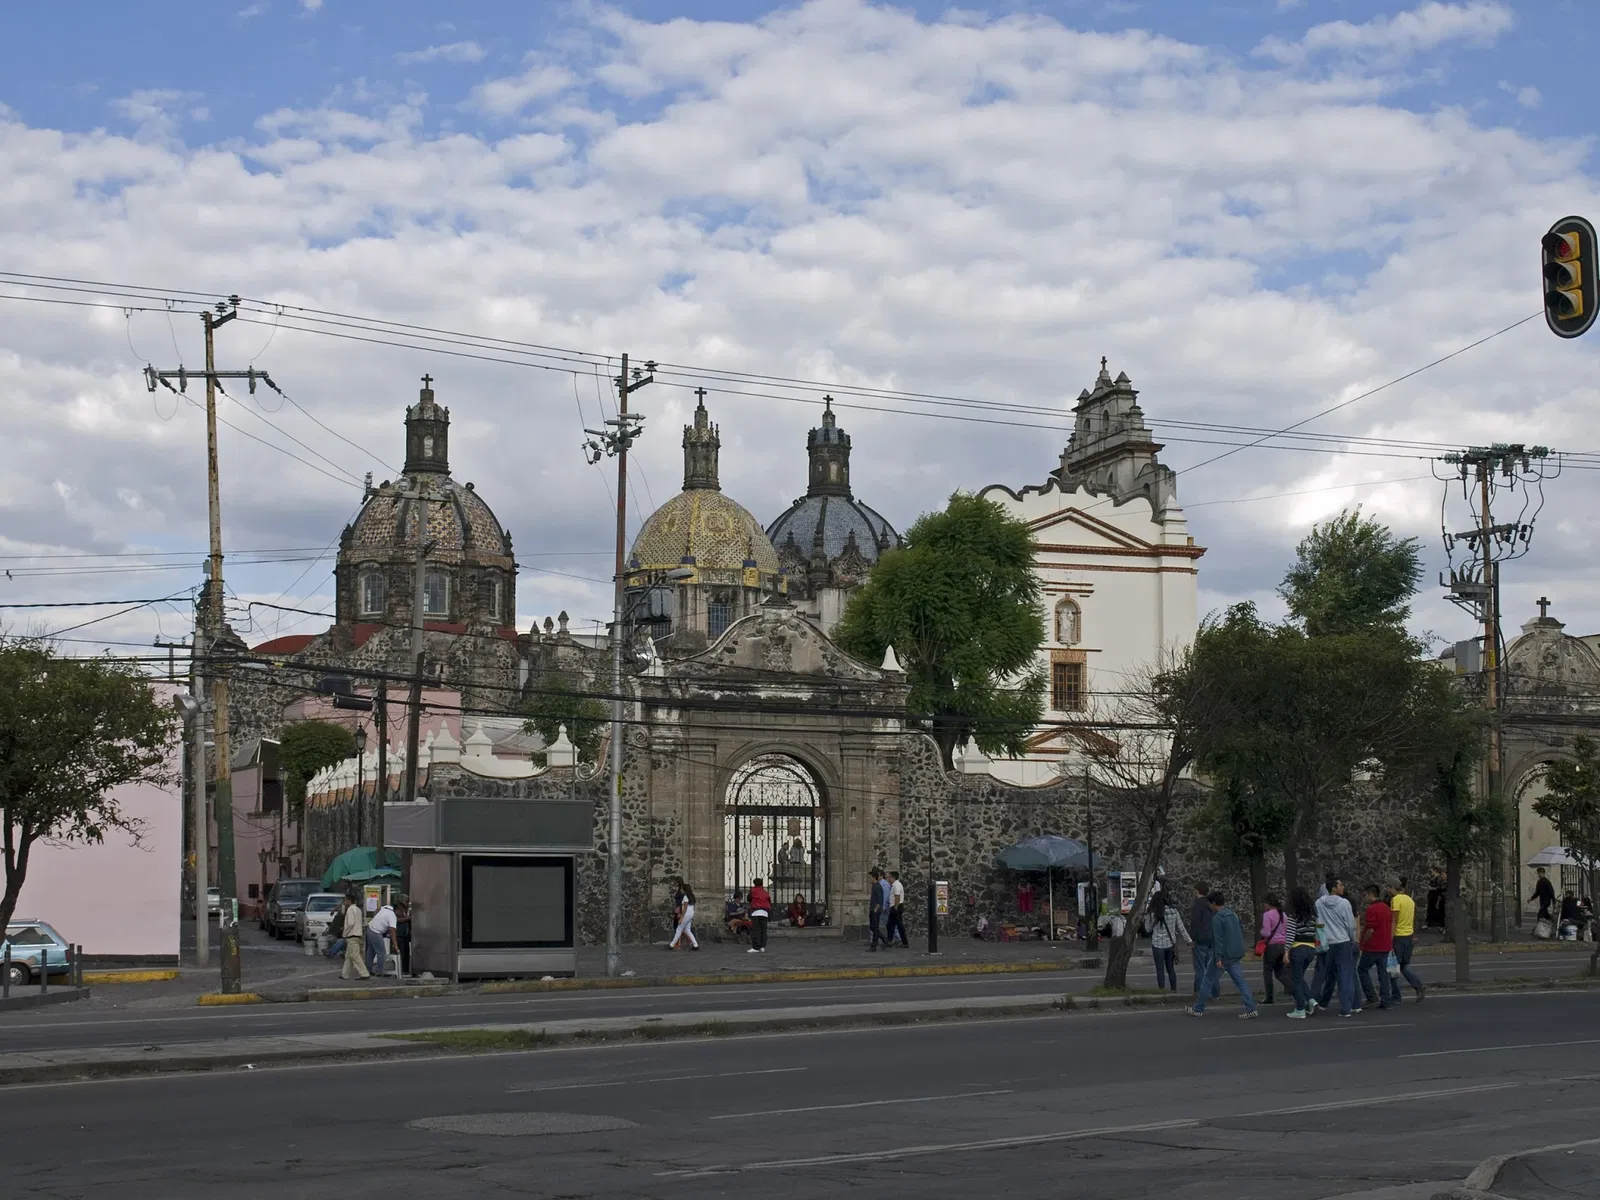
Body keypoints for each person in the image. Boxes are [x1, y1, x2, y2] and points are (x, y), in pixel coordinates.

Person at [1189, 891, 1257, 1019]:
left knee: (1208, 980)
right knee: (1240, 982)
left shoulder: (1217, 918)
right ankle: (1251, 1007)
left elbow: (1218, 940)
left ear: (1213, 903)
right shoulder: (1233, 915)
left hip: (1223, 955)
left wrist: (1218, 957)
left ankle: (1198, 1008)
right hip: (1234, 954)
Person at [1315, 878, 1359, 1017]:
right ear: (1333, 888)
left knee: (1327, 973)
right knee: (1345, 974)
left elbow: (1318, 922)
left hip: (1326, 941)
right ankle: (1347, 1006)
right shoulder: (1344, 903)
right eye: (1340, 884)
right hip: (1342, 940)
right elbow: (1350, 924)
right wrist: (1352, 937)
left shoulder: (1318, 903)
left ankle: (1320, 1001)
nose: (1343, 886)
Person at [1356, 884, 1397, 1010]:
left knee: (1362, 970)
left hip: (1373, 946)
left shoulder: (1372, 909)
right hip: (1385, 945)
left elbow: (1370, 929)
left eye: (1366, 895)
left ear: (1370, 894)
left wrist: (1363, 942)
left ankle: (1371, 997)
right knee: (1383, 974)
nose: (1365, 897)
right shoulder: (1386, 907)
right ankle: (1386, 1000)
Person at [1386, 879, 1425, 1002]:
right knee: (1403, 966)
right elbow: (1412, 918)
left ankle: (1396, 996)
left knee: (1393, 967)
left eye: (1388, 887)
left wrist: (1389, 938)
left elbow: (1394, 920)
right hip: (1408, 935)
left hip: (1398, 936)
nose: (1387, 890)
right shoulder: (1410, 900)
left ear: (1392, 888)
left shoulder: (1396, 900)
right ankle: (1418, 986)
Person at [1284, 888, 1319, 1019]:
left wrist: (1286, 952)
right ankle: (1311, 1000)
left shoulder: (1294, 917)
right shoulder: (1312, 916)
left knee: (1296, 979)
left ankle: (1300, 1008)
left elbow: (1290, 936)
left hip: (1298, 949)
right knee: (1299, 977)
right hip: (1310, 949)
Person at [1149, 890, 1190, 992]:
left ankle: (1162, 990)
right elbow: (1181, 928)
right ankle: (1173, 989)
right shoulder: (1174, 911)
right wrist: (1188, 940)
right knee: (1170, 969)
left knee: (1160, 970)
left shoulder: (1152, 913)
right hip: (1170, 945)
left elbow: (1148, 929)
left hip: (1157, 945)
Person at [1189, 882, 1220, 1001]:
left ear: (1197, 891)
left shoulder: (1197, 905)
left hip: (1200, 939)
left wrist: (1191, 939)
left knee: (1200, 968)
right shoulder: (1211, 904)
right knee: (1211, 967)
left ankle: (1200, 992)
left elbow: (1195, 922)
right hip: (1212, 938)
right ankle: (1215, 992)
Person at [1259, 894, 1290, 1004]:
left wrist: (1261, 932)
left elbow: (1266, 932)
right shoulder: (1283, 915)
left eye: (1264, 904)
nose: (1264, 906)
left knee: (1267, 971)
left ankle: (1269, 996)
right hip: (1283, 945)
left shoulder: (1267, 915)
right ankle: (1294, 989)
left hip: (1271, 946)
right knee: (1280, 973)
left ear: (1268, 904)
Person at [339, 893, 369, 980]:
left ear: (348, 900)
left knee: (355, 955)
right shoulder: (358, 909)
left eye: (345, 900)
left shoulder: (351, 909)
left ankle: (364, 973)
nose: (344, 901)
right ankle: (345, 974)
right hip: (357, 935)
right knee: (349, 956)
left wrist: (345, 932)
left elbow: (350, 923)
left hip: (351, 935)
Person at [367, 898, 397, 976]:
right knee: (381, 952)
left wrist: (376, 919)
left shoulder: (387, 908)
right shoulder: (393, 916)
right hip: (376, 932)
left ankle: (368, 969)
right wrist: (396, 946)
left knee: (371, 951)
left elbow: (377, 909)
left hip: (370, 928)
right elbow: (393, 932)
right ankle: (380, 971)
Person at [669, 880, 700, 950]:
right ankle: (695, 944)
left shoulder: (686, 897)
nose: (681, 890)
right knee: (687, 930)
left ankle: (672, 945)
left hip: (686, 915)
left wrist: (681, 918)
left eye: (682, 889)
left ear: (685, 890)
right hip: (690, 915)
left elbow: (685, 909)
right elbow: (693, 907)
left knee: (679, 929)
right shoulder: (692, 896)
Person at [747, 878, 771, 953]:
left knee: (756, 930)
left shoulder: (753, 890)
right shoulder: (765, 892)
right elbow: (769, 901)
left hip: (756, 912)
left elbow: (749, 899)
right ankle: (762, 946)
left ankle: (756, 947)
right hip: (764, 913)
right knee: (763, 930)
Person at [867, 868, 887, 951]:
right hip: (873, 910)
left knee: (874, 928)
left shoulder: (877, 887)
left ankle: (874, 946)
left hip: (875, 910)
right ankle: (884, 940)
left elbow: (879, 900)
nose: (869, 879)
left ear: (874, 878)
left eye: (870, 877)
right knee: (873, 928)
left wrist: (875, 909)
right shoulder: (874, 886)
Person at [887, 871, 909, 947]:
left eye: (889, 877)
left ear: (893, 877)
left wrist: (895, 907)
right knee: (891, 925)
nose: (888, 879)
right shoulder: (896, 885)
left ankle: (903, 942)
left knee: (897, 926)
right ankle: (890, 941)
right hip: (896, 906)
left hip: (896, 907)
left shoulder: (896, 885)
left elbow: (897, 896)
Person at [394, 896, 412, 977]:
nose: (407, 903)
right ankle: (400, 969)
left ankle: (406, 970)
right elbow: (398, 919)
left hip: (406, 935)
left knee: (406, 953)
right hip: (399, 934)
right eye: (406, 901)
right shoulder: (396, 909)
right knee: (402, 953)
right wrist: (408, 918)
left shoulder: (406, 910)